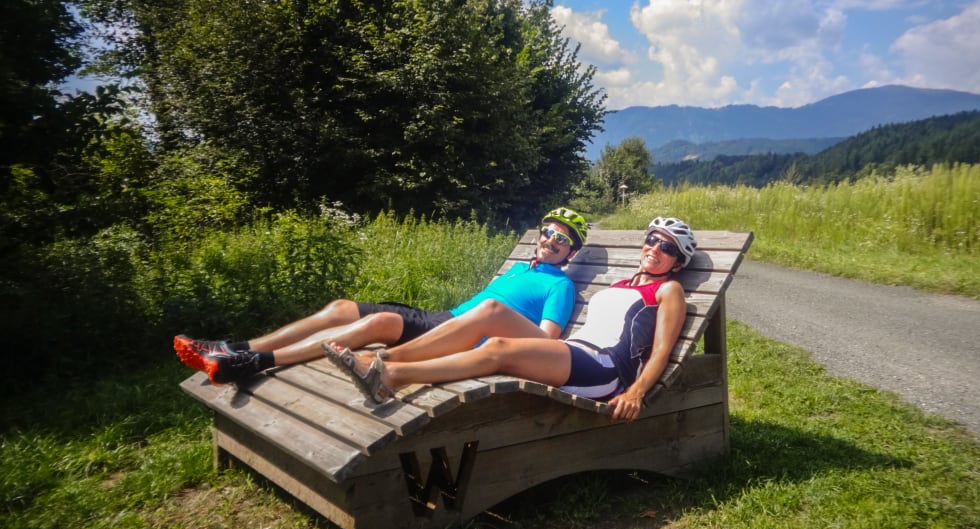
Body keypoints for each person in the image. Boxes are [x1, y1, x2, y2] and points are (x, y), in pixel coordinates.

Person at [325, 217, 697, 422]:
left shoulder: (669, 291)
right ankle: (384, 362)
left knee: (499, 347)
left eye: (668, 248)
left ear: (677, 263)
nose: (655, 250)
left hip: (604, 369)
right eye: (653, 240)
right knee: (488, 314)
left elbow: (661, 351)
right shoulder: (620, 284)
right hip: (572, 353)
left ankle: (390, 373)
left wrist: (636, 392)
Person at [175, 207, 588, 385]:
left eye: (563, 238)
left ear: (571, 252)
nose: (552, 240)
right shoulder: (520, 268)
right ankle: (233, 347)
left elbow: (546, 340)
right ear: (539, 235)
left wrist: (487, 327)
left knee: (376, 324)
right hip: (443, 318)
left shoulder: (560, 284)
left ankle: (254, 362)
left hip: (465, 337)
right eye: (548, 231)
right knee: (341, 308)